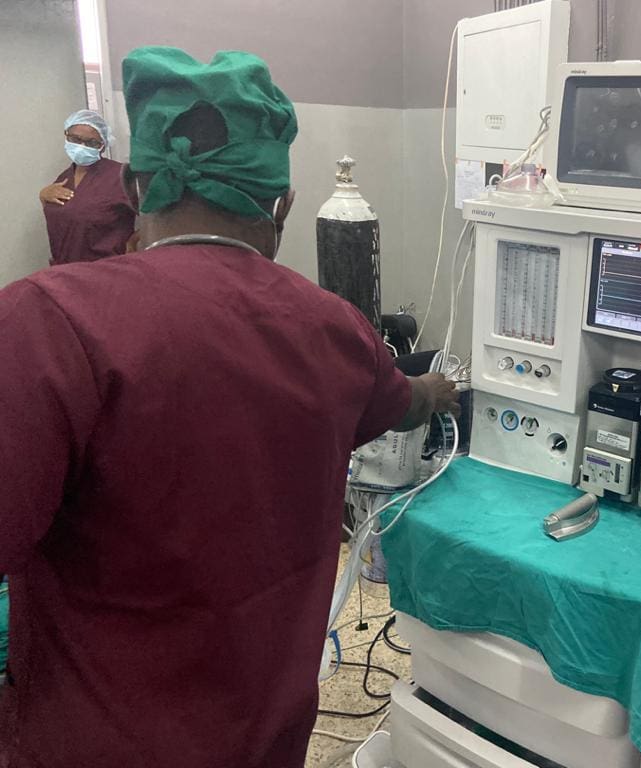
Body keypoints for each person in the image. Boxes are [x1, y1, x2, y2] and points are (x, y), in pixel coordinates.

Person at [0, 47, 459, 768]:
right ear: (282, 204)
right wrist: (442, 390)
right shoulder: (336, 329)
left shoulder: (50, 323)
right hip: (264, 737)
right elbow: (403, 404)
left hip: (94, 740)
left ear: (139, 186)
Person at [39, 109, 137, 264]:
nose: (81, 146)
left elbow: (154, 214)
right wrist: (43, 197)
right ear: (66, 136)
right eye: (75, 139)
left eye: (92, 143)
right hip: (64, 270)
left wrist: (133, 243)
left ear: (103, 146)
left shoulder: (120, 175)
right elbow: (63, 220)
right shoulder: (64, 177)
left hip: (106, 270)